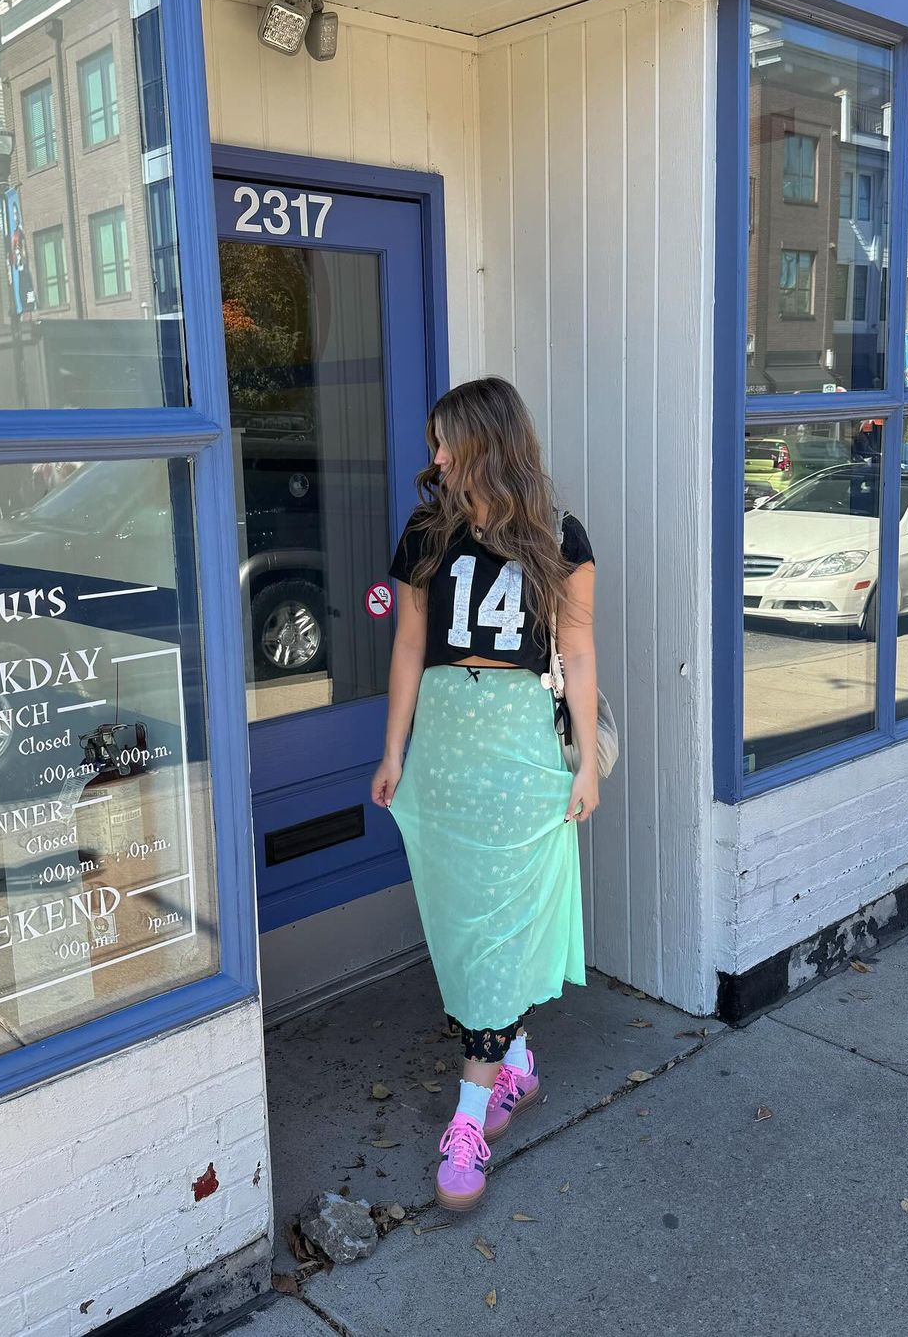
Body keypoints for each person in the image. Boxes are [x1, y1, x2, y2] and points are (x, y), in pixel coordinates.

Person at [371, 376, 599, 1212]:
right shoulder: (426, 532)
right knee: (469, 928)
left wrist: (587, 764)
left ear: (485, 443)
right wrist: (394, 749)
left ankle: (469, 1119)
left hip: (518, 751)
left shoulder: (557, 536)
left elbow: (578, 651)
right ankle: (518, 1066)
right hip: (445, 752)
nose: (435, 458)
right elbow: (407, 647)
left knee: (500, 925)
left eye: (446, 442)